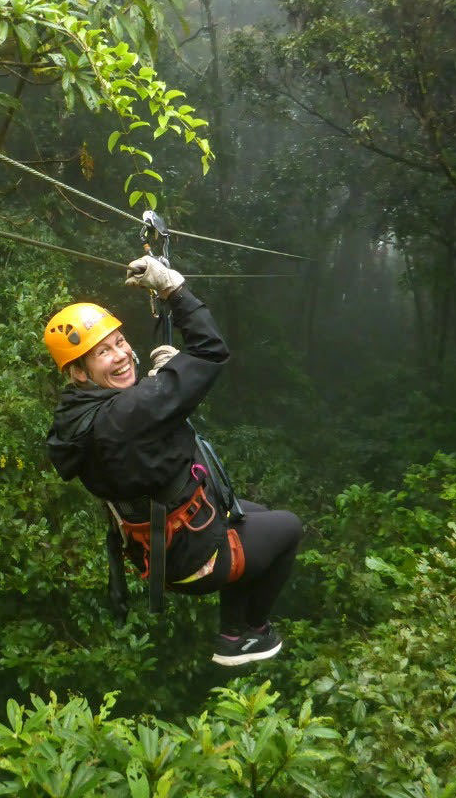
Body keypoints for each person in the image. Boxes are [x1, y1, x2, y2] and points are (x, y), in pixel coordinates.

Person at [44, 255, 302, 666]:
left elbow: (127, 430)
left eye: (119, 342)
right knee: (288, 528)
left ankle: (232, 632)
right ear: (78, 371)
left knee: (256, 515)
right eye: (103, 353)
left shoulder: (74, 417)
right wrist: (173, 290)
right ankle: (248, 633)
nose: (121, 355)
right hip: (193, 557)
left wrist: (160, 387)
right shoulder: (132, 412)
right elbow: (210, 351)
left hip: (158, 547)